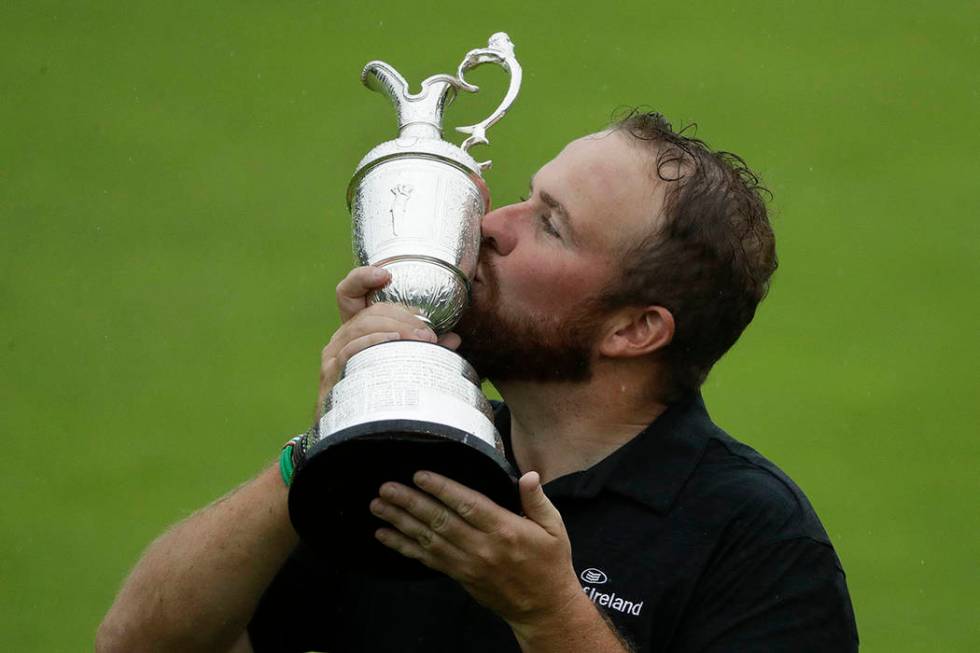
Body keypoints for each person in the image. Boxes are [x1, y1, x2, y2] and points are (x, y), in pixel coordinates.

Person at [97, 111, 858, 652]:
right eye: (527, 194)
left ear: (634, 330)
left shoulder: (756, 539)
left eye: (551, 225)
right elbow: (136, 644)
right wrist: (327, 438)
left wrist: (549, 610)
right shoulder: (405, 459)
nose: (493, 225)